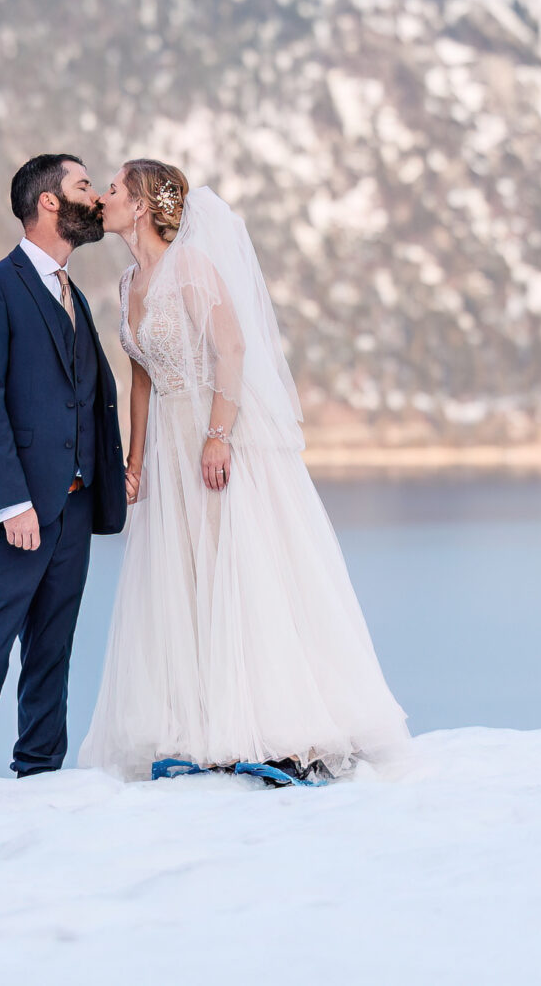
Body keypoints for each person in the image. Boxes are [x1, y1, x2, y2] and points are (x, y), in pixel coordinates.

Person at [78, 160, 408, 782]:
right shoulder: (127, 285)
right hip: (168, 446)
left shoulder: (193, 269)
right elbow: (141, 375)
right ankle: (203, 730)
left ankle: (278, 729)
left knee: (239, 570)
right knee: (184, 579)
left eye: (116, 189)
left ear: (144, 204)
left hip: (212, 433)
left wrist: (218, 436)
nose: (103, 198)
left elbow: (232, 349)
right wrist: (136, 457)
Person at [0, 154, 128, 784]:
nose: (94, 198)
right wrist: (13, 503)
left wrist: (110, 473)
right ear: (48, 203)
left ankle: (39, 776)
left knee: (52, 650)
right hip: (10, 511)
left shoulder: (75, 297)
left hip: (71, 504)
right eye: (83, 185)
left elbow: (86, 396)